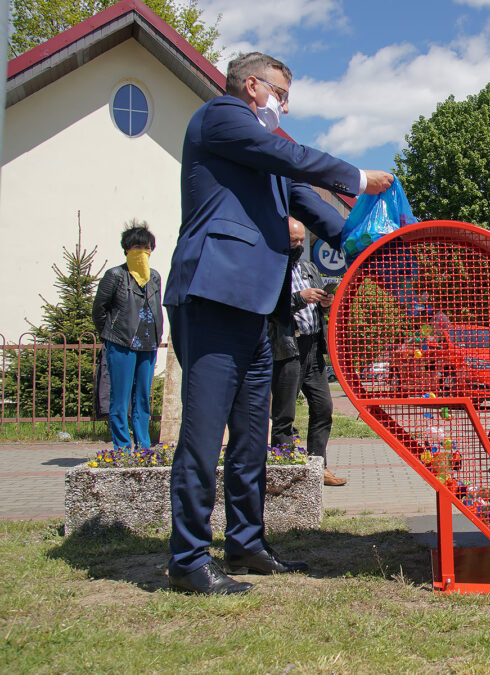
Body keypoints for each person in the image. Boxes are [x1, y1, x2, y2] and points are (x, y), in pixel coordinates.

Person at [163, 52, 394, 595]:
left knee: (252, 433)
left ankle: (245, 543)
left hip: (259, 309)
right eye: (281, 95)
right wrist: (358, 178)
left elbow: (315, 210)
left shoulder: (266, 161)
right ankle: (188, 558)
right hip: (214, 294)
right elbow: (286, 152)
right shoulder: (221, 117)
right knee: (203, 433)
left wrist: (373, 251)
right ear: (252, 86)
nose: (284, 106)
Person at [270, 218, 344, 487]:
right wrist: (300, 297)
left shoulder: (309, 268)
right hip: (287, 347)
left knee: (324, 407)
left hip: (313, 347)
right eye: (293, 240)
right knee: (284, 415)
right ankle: (284, 470)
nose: (299, 245)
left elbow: (321, 309)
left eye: (302, 240)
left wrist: (326, 302)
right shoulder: (271, 268)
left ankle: (318, 466)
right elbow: (269, 307)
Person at [92, 222, 163, 451]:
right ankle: (122, 447)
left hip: (148, 343)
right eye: (136, 247)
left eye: (146, 247)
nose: (142, 252)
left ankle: (143, 446)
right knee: (120, 398)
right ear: (126, 249)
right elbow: (99, 309)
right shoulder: (115, 275)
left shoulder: (154, 277)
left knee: (142, 398)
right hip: (121, 343)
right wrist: (111, 334)